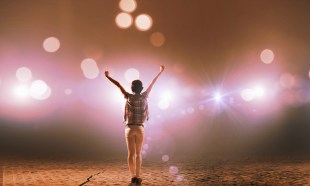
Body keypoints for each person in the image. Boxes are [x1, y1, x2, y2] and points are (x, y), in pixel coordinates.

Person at [105, 65, 164, 185]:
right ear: (141, 88)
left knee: (130, 154)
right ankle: (138, 176)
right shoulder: (144, 96)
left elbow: (118, 84)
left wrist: (108, 76)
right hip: (140, 128)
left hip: (129, 128)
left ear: (131, 88)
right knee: (138, 154)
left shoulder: (128, 97)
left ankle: (132, 177)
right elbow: (153, 82)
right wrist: (160, 71)